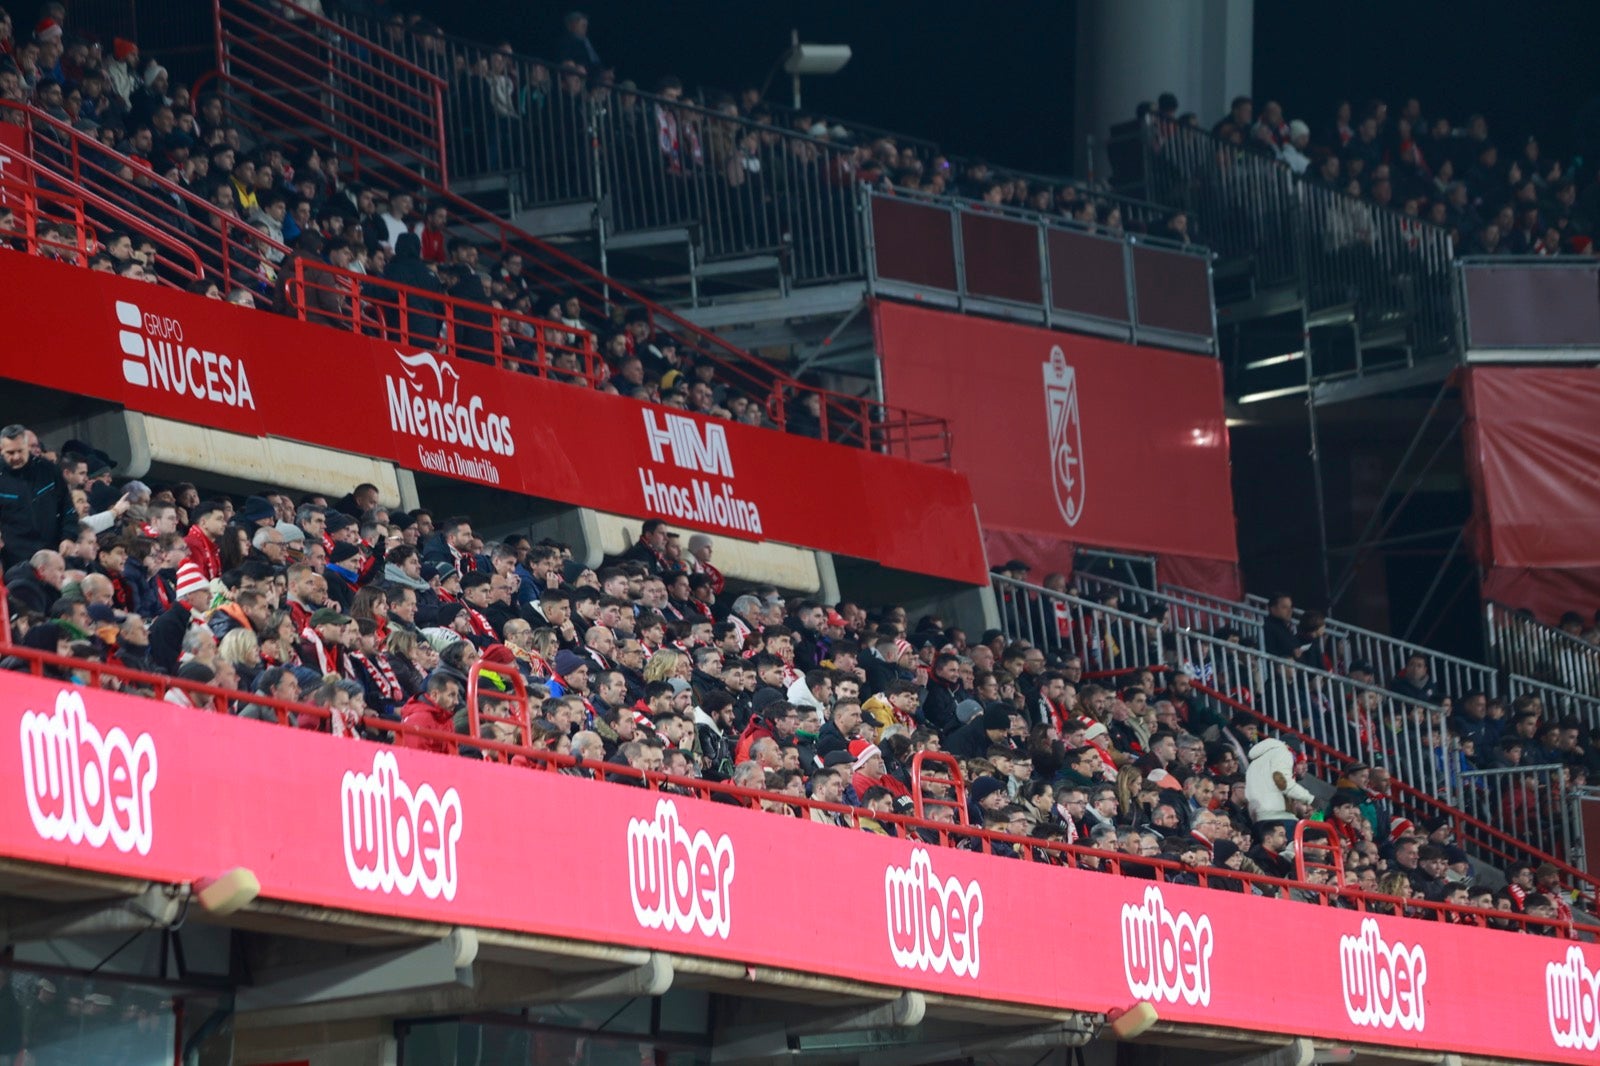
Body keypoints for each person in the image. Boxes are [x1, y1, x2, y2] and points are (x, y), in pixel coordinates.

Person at [0, 424, 78, 568]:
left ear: (27, 448)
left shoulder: (49, 470)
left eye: (20, 451)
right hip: (15, 562)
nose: (16, 457)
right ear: (1, 451)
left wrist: (69, 537)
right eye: (10, 453)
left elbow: (67, 508)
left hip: (53, 554)